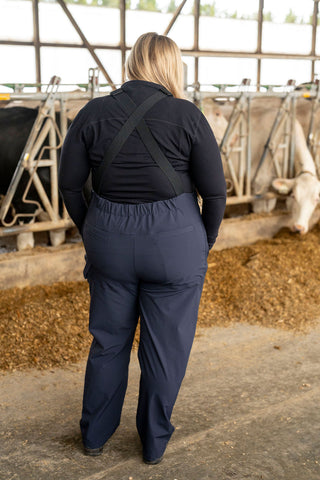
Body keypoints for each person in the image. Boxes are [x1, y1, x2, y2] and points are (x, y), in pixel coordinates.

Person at [58, 31, 226, 465]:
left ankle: (94, 436)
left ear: (133, 63)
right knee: (166, 348)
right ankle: (152, 444)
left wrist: (91, 230)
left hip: (109, 239)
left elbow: (70, 186)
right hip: (176, 242)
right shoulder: (187, 115)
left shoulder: (92, 113)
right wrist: (201, 245)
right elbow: (216, 194)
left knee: (109, 342)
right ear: (172, 66)